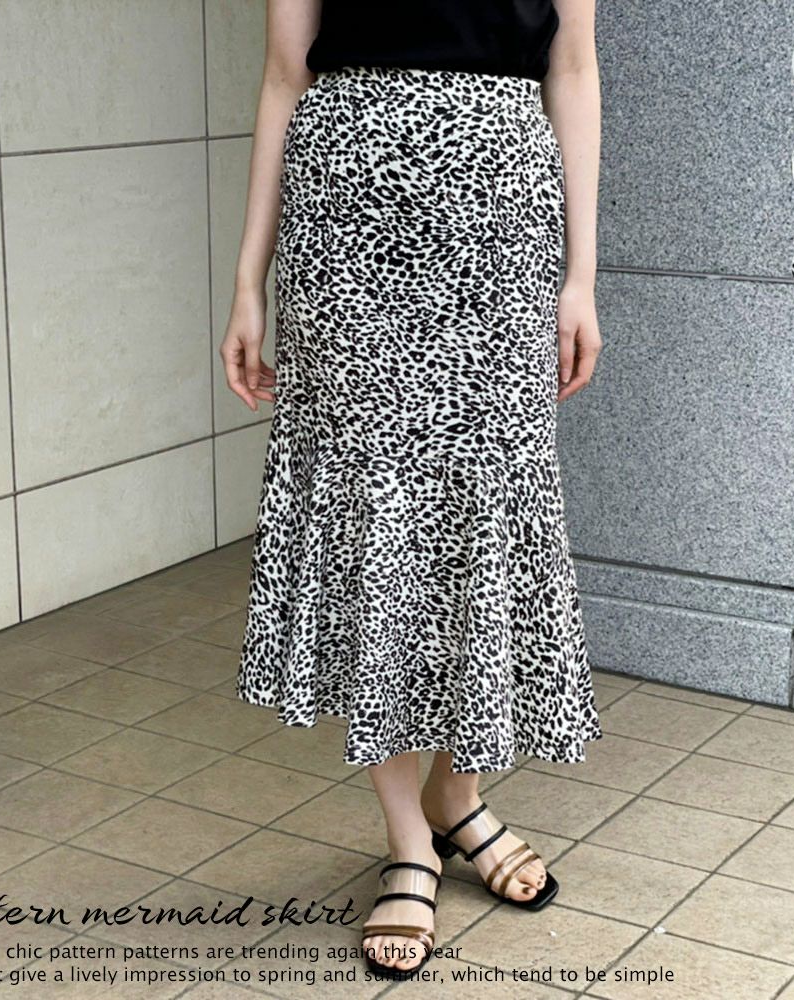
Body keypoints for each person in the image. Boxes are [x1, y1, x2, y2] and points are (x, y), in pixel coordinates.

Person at [219, 0, 603, 980]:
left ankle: (456, 793)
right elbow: (285, 74)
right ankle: (408, 839)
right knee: (376, 518)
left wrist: (581, 275)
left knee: (486, 505)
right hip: (345, 224)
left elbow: (572, 66)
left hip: (500, 222)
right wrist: (249, 281)